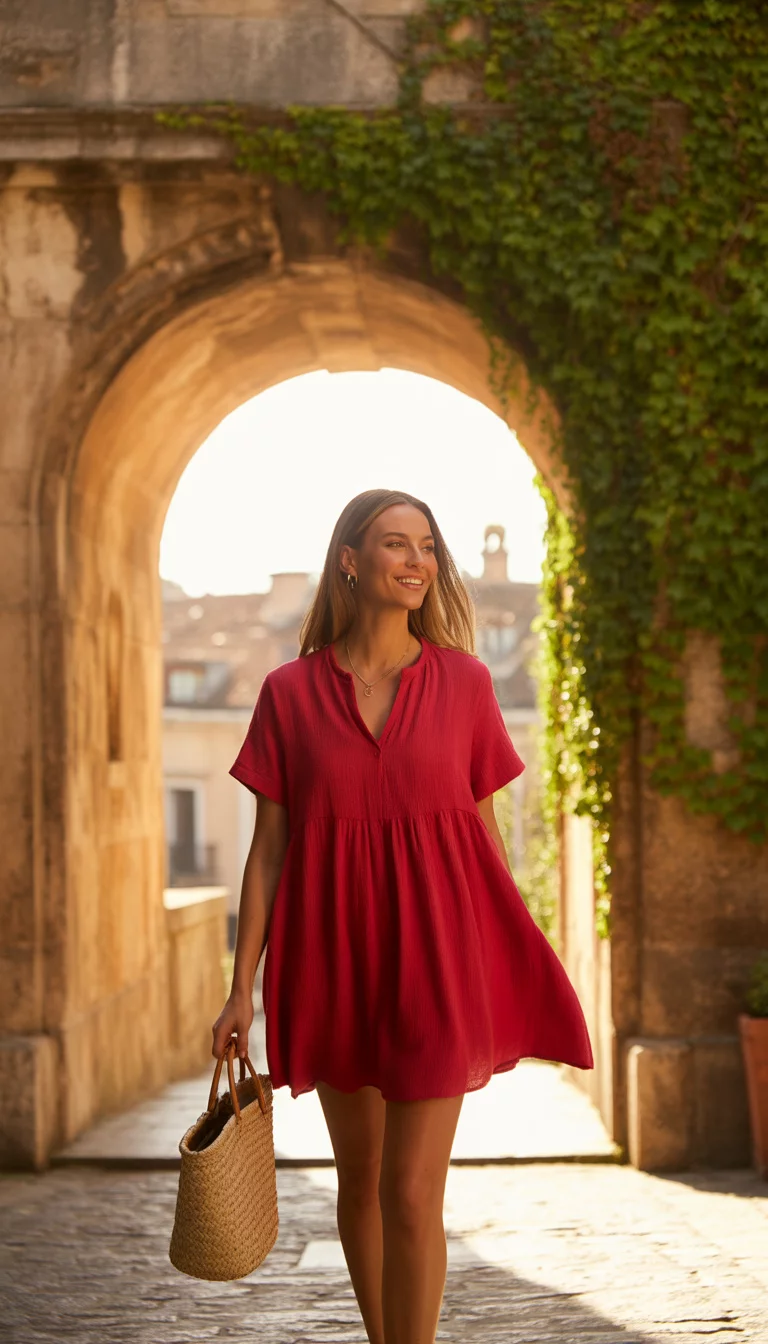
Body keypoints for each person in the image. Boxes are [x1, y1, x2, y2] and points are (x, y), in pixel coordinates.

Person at [213, 487, 593, 1344]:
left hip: (437, 956)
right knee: (363, 1179)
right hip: (330, 957)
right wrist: (242, 991)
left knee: (415, 1191)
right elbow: (267, 849)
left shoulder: (463, 682)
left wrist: (506, 955)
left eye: (427, 545)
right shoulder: (288, 692)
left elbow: (484, 835)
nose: (417, 560)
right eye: (396, 544)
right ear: (350, 559)